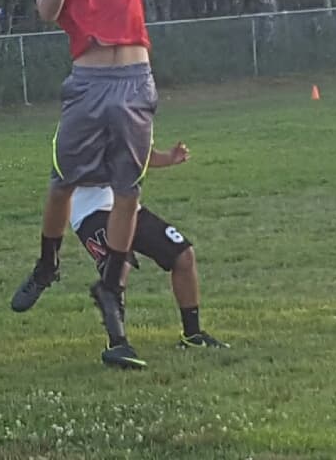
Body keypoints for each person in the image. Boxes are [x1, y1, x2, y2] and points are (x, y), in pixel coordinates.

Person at [11, 0, 157, 369]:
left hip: (135, 81)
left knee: (128, 192)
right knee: (63, 182)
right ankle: (47, 264)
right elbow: (48, 13)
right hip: (91, 82)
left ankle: (112, 290)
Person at [72, 142, 230, 361]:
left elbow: (141, 154)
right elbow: (71, 169)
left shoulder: (138, 121)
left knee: (183, 255)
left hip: (127, 207)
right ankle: (117, 345)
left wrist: (167, 158)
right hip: (90, 210)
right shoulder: (87, 124)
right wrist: (116, 166)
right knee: (119, 266)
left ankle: (192, 335)